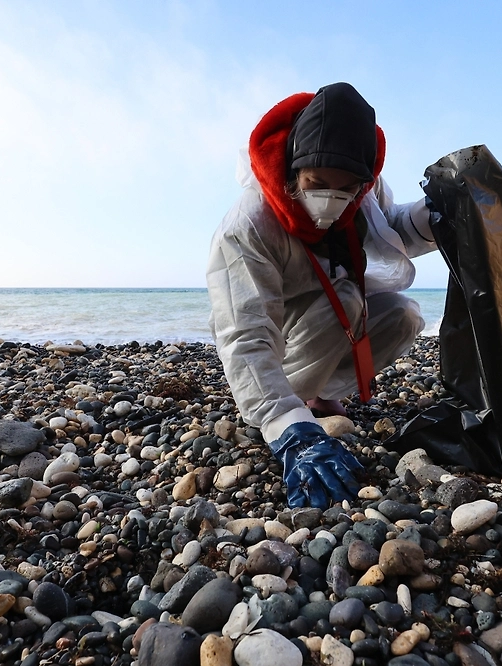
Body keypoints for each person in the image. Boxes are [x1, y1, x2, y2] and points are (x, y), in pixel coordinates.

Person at [206, 82, 437, 508]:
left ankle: (319, 393)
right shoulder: (248, 226)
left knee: (402, 314)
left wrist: (434, 216)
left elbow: (388, 228)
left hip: (329, 315)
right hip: (279, 338)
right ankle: (291, 402)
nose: (333, 198)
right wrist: (288, 428)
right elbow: (245, 335)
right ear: (294, 167)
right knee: (346, 301)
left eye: (346, 189)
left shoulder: (363, 190)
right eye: (317, 183)